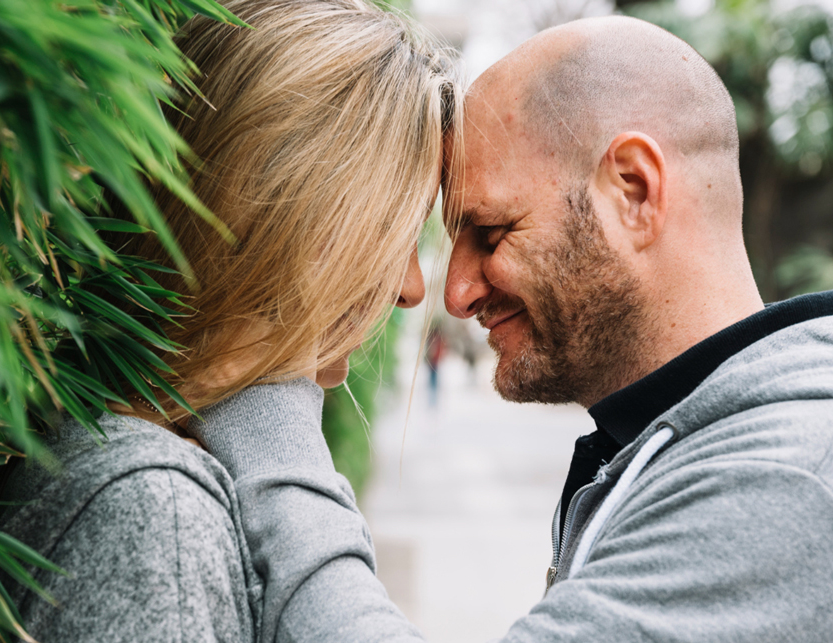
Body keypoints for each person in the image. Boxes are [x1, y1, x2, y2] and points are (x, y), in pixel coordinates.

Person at [186, 15, 833, 643]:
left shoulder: (785, 477)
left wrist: (263, 416)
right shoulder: (679, 445)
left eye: (490, 232)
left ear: (634, 189)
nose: (455, 292)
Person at [0, 1, 459, 641]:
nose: (413, 287)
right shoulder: (158, 516)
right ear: (278, 219)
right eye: (387, 232)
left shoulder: (123, 460)